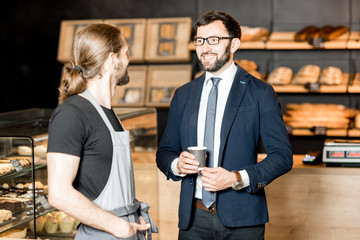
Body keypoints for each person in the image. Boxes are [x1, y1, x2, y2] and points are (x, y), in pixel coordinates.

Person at [156, 10, 293, 240]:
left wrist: (235, 178)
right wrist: (177, 165)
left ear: (234, 44)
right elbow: (164, 152)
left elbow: (282, 157)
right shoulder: (184, 95)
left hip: (244, 222)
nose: (204, 48)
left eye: (214, 40)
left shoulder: (260, 93)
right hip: (193, 221)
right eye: (199, 40)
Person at [47, 23, 157, 240]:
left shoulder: (109, 114)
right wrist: (116, 224)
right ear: (111, 60)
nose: (129, 60)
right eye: (126, 53)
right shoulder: (71, 113)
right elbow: (58, 194)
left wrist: (131, 216)